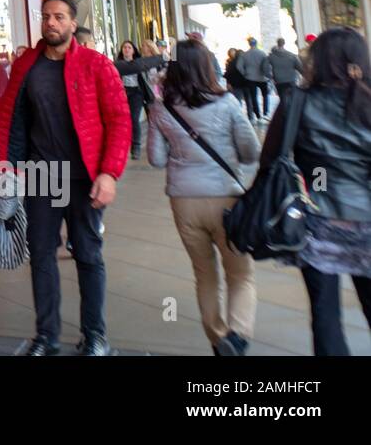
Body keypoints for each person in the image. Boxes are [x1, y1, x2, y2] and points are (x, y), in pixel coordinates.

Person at [0, 0, 130, 357]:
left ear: (72, 23)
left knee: (87, 254)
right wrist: (4, 167)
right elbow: (8, 116)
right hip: (41, 175)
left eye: (59, 17)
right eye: (46, 16)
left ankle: (95, 336)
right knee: (40, 255)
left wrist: (110, 173)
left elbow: (119, 120)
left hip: (86, 176)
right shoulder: (26, 66)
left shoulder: (97, 65)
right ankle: (46, 336)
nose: (51, 23)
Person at [260, 27, 371, 356]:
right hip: (367, 220)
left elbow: (271, 160)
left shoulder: (297, 101)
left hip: (318, 220)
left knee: (325, 315)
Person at [147, 38, 260, 356]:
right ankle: (237, 336)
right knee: (240, 273)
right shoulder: (227, 104)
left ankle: (217, 339)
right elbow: (252, 153)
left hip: (184, 200)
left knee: (205, 274)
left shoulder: (160, 107)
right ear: (207, 66)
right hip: (228, 199)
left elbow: (156, 159)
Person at [114, 40, 163, 159]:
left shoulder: (139, 63)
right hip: (123, 92)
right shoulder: (117, 64)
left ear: (133, 50)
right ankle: (122, 146)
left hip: (137, 93)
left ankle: (136, 147)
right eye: (124, 47)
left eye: (129, 47)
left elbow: (151, 77)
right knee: (122, 120)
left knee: (134, 118)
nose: (126, 49)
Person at [237, 36, 272, 124]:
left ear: (249, 44)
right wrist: (268, 75)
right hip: (262, 78)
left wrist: (244, 73)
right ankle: (265, 113)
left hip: (250, 78)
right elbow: (267, 66)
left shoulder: (244, 54)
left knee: (253, 97)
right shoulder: (262, 53)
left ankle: (258, 115)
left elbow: (239, 66)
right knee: (265, 96)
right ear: (256, 44)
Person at [268, 37, 302, 110]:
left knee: (282, 99)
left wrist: (271, 76)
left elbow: (264, 67)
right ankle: (291, 112)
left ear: (277, 43)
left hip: (279, 80)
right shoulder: (292, 55)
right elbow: (300, 68)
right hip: (291, 80)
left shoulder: (271, 56)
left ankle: (284, 113)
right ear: (284, 43)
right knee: (292, 98)